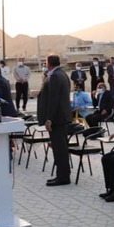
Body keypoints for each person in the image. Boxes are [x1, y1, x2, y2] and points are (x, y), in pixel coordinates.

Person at [37, 55, 72, 186]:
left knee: (59, 149)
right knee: (60, 148)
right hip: (62, 117)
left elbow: (54, 99)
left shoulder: (56, 76)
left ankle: (63, 177)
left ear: (49, 63)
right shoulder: (62, 74)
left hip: (57, 118)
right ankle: (62, 175)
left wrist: (49, 119)